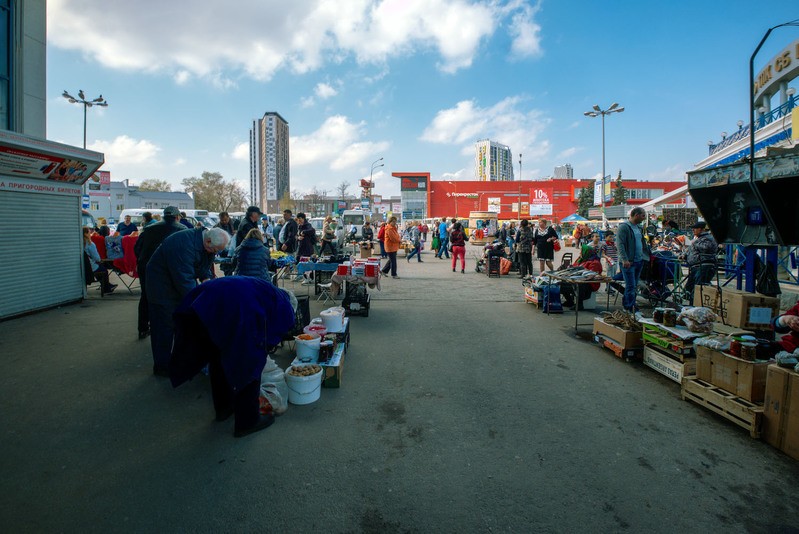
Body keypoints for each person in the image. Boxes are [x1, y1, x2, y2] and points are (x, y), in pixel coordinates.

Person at [169, 276, 296, 437]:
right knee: (251, 360)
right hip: (232, 307)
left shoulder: (267, 292)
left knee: (218, 355)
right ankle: (248, 421)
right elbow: (270, 336)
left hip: (202, 305)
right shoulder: (284, 305)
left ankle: (224, 408)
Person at [146, 227, 230, 376]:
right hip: (161, 288)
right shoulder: (182, 245)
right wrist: (202, 303)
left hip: (176, 283)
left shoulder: (206, 244)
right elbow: (184, 281)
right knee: (164, 327)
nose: (215, 253)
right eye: (215, 249)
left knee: (182, 324)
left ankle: (180, 361)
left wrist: (207, 281)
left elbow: (204, 265)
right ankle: (162, 366)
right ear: (208, 241)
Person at [133, 206, 186, 339]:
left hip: (145, 266)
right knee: (172, 296)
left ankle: (143, 328)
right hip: (169, 268)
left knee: (146, 296)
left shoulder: (149, 229)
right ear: (177, 216)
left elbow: (137, 248)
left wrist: (142, 260)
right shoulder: (182, 230)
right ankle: (171, 327)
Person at [617, 207, 649, 312]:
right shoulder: (624, 227)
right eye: (643, 215)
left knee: (634, 286)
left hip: (639, 261)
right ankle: (629, 307)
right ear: (636, 215)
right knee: (630, 285)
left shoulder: (638, 228)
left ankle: (631, 304)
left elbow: (641, 243)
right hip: (628, 262)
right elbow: (620, 244)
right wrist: (624, 259)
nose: (644, 218)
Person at [683, 221, 718, 304]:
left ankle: (695, 306)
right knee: (689, 288)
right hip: (696, 266)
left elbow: (706, 247)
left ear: (701, 229)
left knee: (698, 289)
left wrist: (693, 244)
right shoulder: (698, 238)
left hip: (704, 266)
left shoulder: (709, 238)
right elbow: (692, 250)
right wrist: (685, 255)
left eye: (694, 228)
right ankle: (691, 305)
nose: (693, 230)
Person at [83, 227, 116, 294]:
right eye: (89, 232)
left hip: (83, 267)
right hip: (90, 266)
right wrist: (99, 260)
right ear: (86, 234)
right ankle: (106, 288)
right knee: (103, 270)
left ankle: (106, 285)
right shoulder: (90, 244)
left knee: (99, 270)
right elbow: (96, 257)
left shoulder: (80, 244)